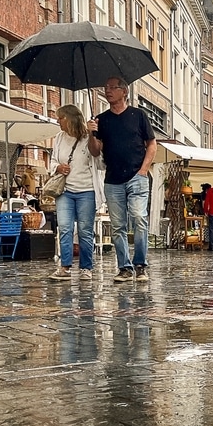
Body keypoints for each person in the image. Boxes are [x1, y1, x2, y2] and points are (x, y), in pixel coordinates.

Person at [87, 77, 157, 283]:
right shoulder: (102, 120)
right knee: (118, 226)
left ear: (124, 92)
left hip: (137, 176)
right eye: (105, 87)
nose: (108, 91)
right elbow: (95, 151)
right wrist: (91, 133)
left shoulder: (138, 115)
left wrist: (144, 170)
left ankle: (140, 265)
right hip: (113, 179)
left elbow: (152, 144)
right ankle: (124, 267)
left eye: (112, 87)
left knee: (139, 218)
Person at [50, 104, 104, 281]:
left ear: (70, 119)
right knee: (65, 228)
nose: (58, 121)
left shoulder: (89, 137)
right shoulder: (59, 138)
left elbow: (100, 161)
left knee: (85, 230)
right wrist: (58, 167)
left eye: (61, 118)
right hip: (65, 190)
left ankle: (86, 268)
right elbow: (52, 161)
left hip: (86, 190)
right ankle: (65, 267)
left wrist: (92, 135)